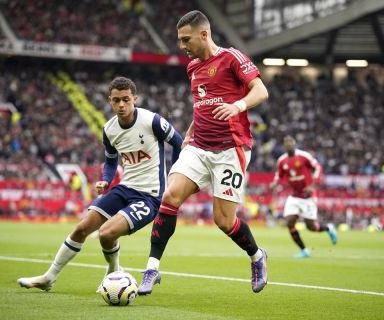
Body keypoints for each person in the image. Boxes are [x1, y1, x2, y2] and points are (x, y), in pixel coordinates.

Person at [138, 10, 269, 295]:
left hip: (230, 149)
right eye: (180, 40)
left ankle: (257, 256)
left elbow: (261, 91)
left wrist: (237, 106)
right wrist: (189, 132)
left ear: (204, 34)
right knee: (170, 196)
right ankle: (151, 269)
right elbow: (203, 103)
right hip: (198, 146)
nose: (183, 45)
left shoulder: (232, 58)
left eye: (186, 39)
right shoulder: (192, 68)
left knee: (223, 221)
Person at [17, 76, 182, 291]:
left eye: (126, 99)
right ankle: (49, 277)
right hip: (124, 188)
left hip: (149, 196)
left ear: (135, 99)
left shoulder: (152, 121)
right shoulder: (110, 129)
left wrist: (175, 176)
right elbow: (111, 160)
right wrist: (106, 179)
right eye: (116, 100)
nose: (121, 105)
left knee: (106, 233)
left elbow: (178, 143)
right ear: (109, 101)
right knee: (81, 228)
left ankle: (114, 271)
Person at [270, 135, 337, 258]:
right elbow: (278, 175)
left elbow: (318, 167)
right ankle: (304, 250)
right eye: (286, 142)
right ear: (284, 145)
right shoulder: (282, 160)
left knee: (311, 227)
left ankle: (329, 228)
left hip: (308, 196)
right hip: (294, 196)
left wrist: (313, 185)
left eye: (291, 141)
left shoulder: (304, 156)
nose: (289, 144)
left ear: (295, 143)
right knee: (289, 222)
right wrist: (275, 182)